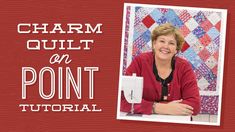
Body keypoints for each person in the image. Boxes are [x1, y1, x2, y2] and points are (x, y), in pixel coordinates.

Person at [120, 23, 200, 115]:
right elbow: (122, 100)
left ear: (176, 50)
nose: (166, 46)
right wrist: (160, 108)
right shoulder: (140, 62)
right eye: (162, 41)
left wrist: (147, 106)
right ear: (154, 44)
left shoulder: (184, 67)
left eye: (171, 43)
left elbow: (195, 106)